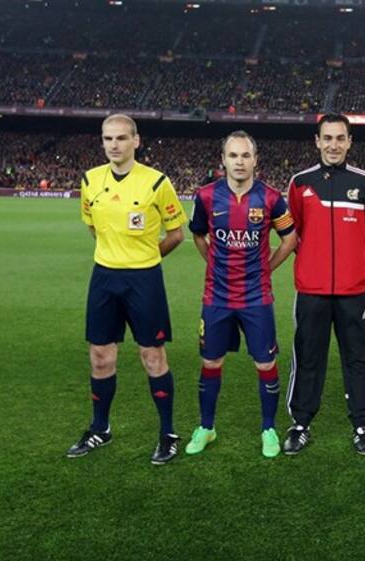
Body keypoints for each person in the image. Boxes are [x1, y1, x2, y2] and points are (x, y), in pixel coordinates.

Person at [67, 114, 187, 465]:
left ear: (136, 141)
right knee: (100, 357)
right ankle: (100, 428)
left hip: (144, 279)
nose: (114, 145)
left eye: (121, 138)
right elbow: (92, 226)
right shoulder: (91, 180)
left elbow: (176, 233)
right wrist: (115, 255)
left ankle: (167, 434)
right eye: (108, 139)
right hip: (104, 277)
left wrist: (146, 257)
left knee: (152, 356)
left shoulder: (156, 182)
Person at [186, 131, 297, 458]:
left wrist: (266, 268)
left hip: (256, 297)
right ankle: (206, 427)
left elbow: (290, 240)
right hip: (216, 297)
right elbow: (198, 235)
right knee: (211, 361)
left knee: (265, 363)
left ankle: (268, 429)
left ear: (255, 160)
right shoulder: (205, 196)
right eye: (233, 156)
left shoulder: (272, 198)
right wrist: (215, 264)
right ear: (223, 160)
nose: (239, 162)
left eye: (245, 156)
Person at [284, 113, 365, 455]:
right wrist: (312, 262)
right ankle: (300, 424)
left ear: (349, 141)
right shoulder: (300, 182)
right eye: (327, 138)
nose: (333, 144)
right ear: (317, 141)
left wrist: (356, 266)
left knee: (358, 358)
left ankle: (361, 425)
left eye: (340, 138)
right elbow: (292, 233)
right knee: (307, 357)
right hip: (310, 292)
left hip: (353, 292)